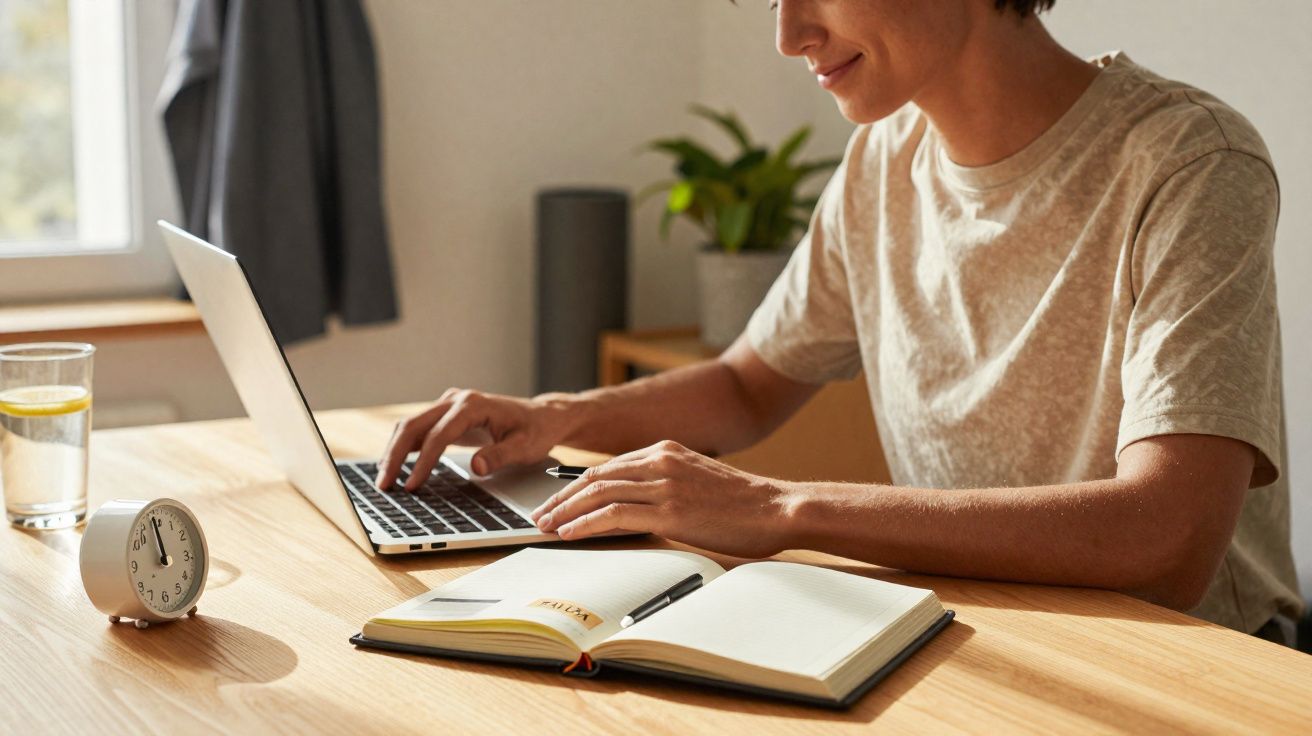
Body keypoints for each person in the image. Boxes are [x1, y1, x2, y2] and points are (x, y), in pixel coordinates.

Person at [376, 0, 1302, 643]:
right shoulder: (883, 159)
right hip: (966, 631)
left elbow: (1167, 539)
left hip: (1188, 662)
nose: (787, 36)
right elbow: (747, 385)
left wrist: (781, 510)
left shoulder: (1189, 163)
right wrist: (560, 417)